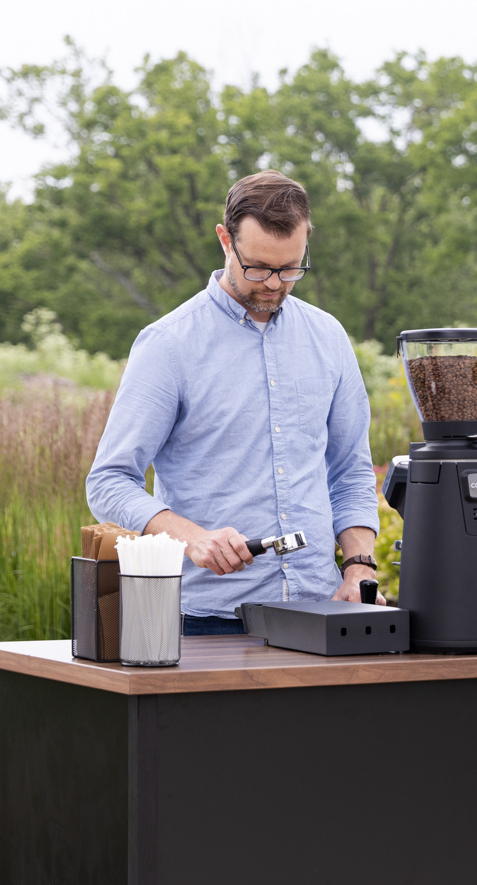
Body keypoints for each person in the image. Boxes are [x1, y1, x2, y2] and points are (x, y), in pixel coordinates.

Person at [86, 171, 381, 635]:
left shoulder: (329, 337)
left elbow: (350, 471)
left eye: (291, 268)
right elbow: (108, 481)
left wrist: (359, 566)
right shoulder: (168, 345)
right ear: (226, 241)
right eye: (259, 267)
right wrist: (193, 539)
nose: (275, 284)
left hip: (323, 611)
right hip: (206, 620)